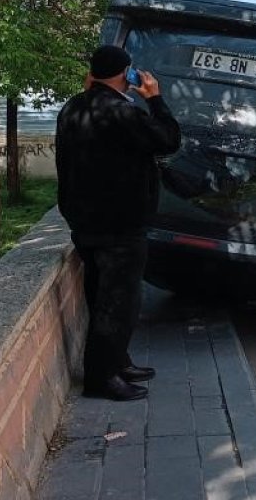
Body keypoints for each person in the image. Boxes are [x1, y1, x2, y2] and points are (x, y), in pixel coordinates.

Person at [56, 46, 181, 401]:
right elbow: (168, 140)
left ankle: (117, 360)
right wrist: (155, 99)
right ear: (125, 73)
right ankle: (102, 378)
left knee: (100, 296)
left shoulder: (73, 108)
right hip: (120, 225)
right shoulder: (121, 112)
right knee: (119, 302)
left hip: (85, 220)